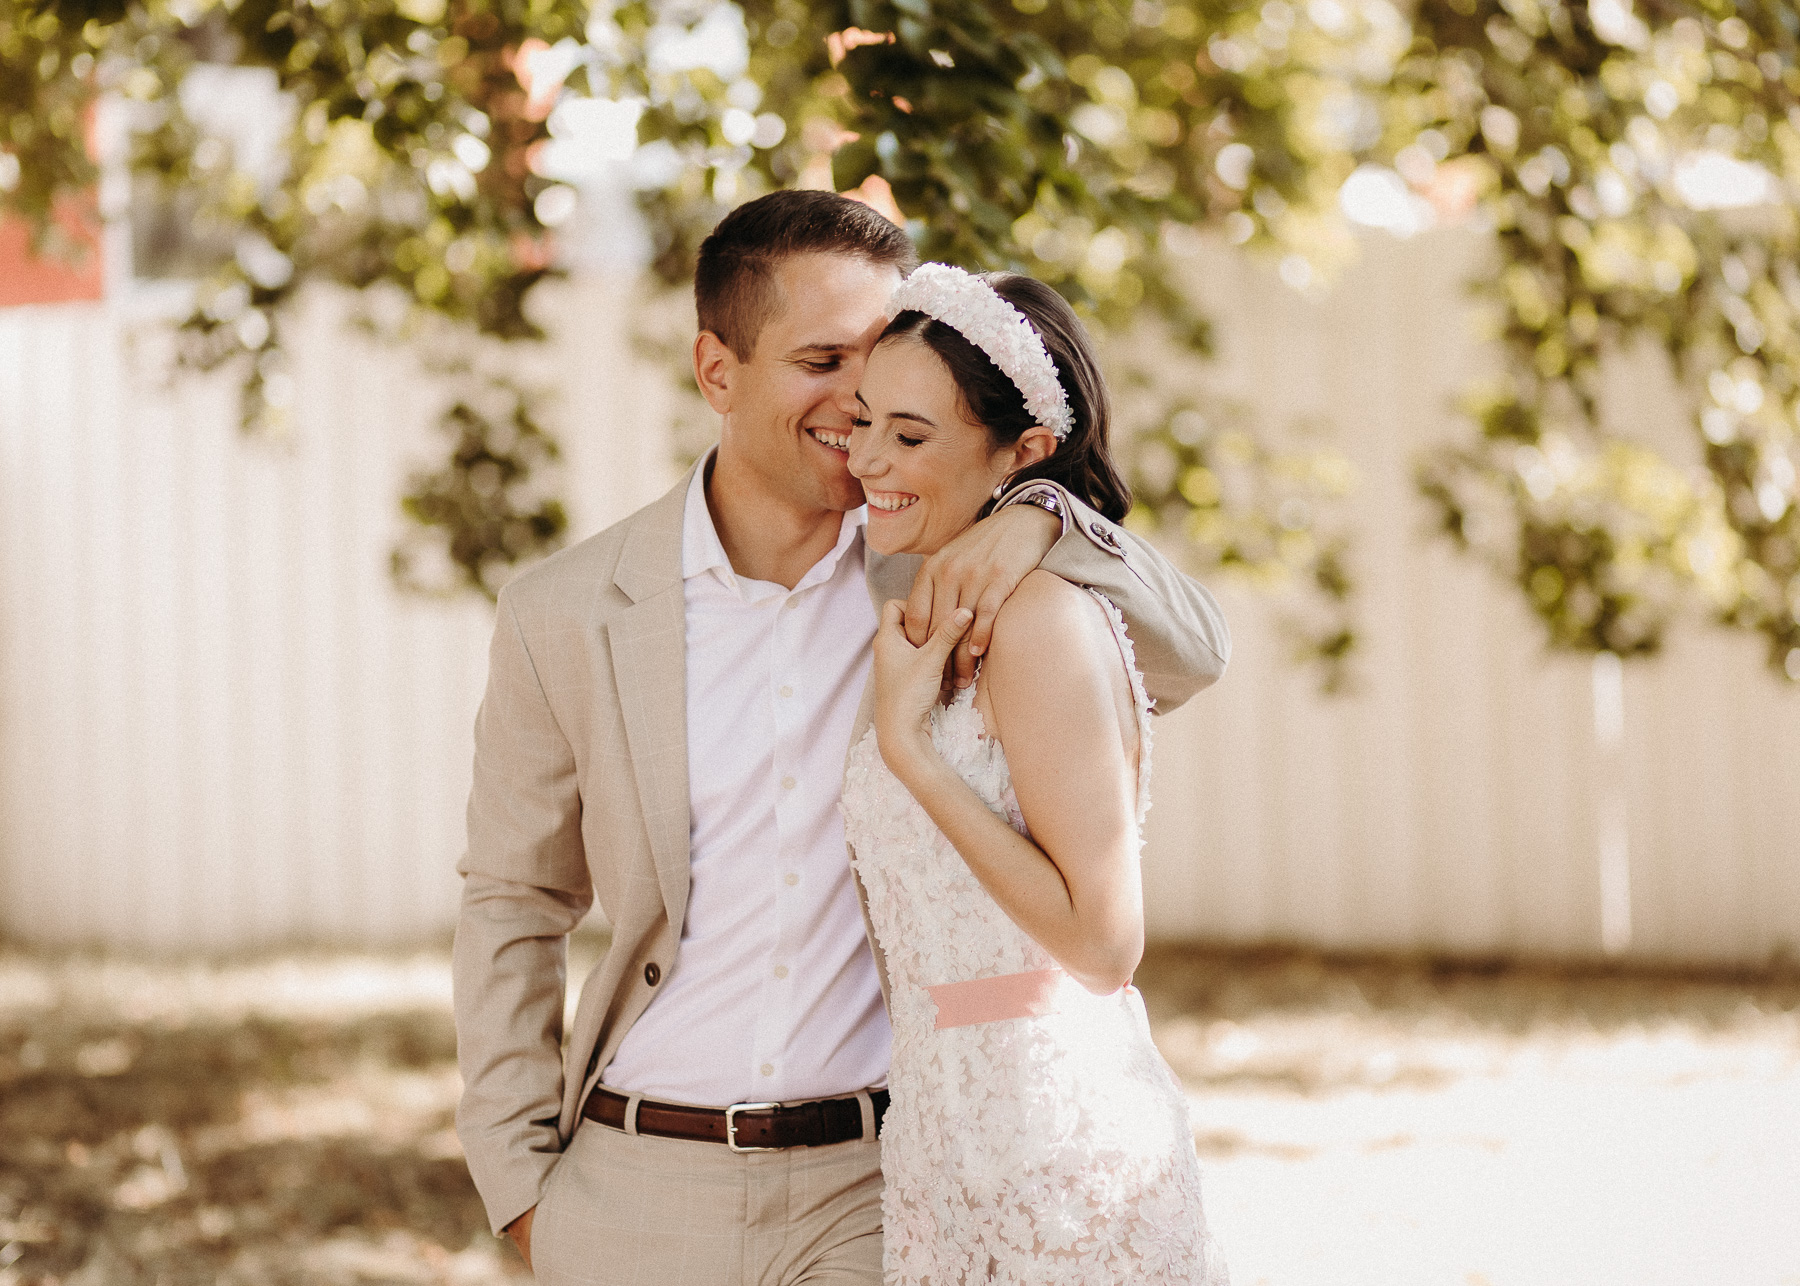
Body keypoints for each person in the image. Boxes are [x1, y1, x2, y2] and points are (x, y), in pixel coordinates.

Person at [452, 192, 1230, 1285]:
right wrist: (520, 1185)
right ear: (717, 371)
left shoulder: (941, 563)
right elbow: (515, 898)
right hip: (635, 1185)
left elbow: (1191, 652)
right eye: (821, 361)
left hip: (874, 1184)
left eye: (875, 359)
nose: (858, 401)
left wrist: (1038, 512)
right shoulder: (565, 613)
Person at [841, 264, 1231, 1284]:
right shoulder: (921, 587)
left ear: (1023, 452)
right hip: (942, 1141)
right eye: (865, 419)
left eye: (910, 436)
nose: (867, 458)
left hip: (1055, 1153)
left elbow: (1104, 945)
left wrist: (910, 753)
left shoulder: (1042, 619)